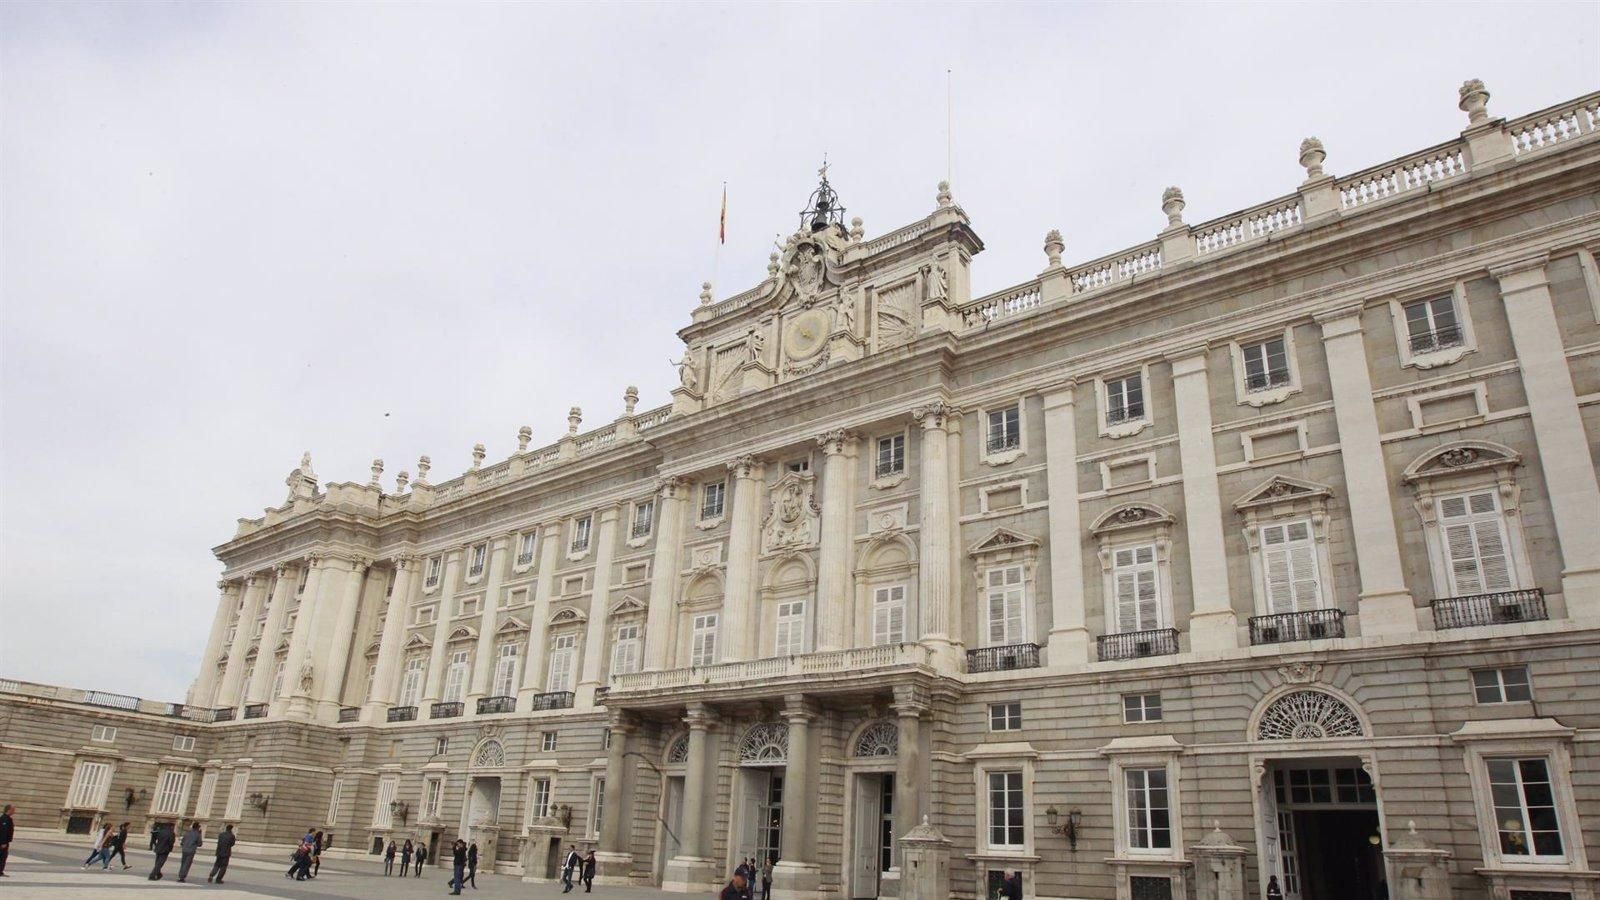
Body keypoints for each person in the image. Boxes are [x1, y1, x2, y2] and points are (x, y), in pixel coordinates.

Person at [0, 804, 13, 878]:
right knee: (2, 857)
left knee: (3, 857)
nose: (14, 811)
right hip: (3, 842)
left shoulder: (7, 818)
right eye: (13, 810)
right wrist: (4, 842)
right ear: (8, 810)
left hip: (5, 842)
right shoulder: (4, 819)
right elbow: (3, 831)